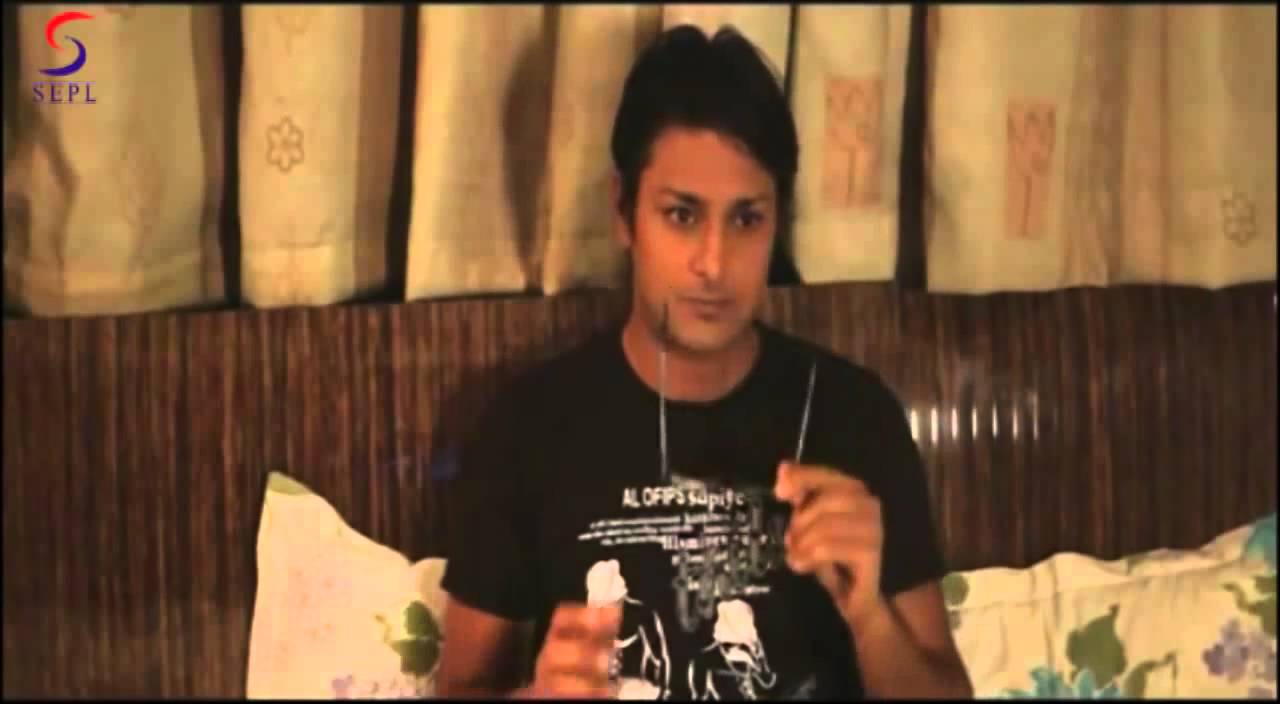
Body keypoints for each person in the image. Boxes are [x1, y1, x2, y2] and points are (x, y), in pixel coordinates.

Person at [436, 24, 973, 700]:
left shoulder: (854, 416)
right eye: (682, 215)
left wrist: (870, 617)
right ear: (624, 212)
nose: (714, 263)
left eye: (746, 220)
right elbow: (460, 687)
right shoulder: (529, 427)